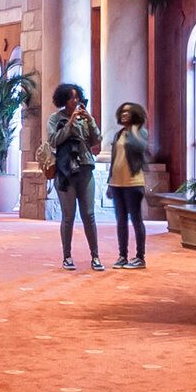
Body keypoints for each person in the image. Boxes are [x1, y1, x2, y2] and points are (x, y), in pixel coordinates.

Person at [46, 82, 103, 271]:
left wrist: (90, 120)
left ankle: (95, 256)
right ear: (63, 99)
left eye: (77, 96)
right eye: (71, 97)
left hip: (85, 167)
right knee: (69, 215)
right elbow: (53, 140)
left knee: (89, 214)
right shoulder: (55, 118)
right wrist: (70, 124)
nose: (75, 100)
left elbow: (96, 140)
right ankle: (67, 256)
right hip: (65, 171)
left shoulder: (84, 118)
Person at [108, 102, 155, 270]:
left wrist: (134, 129)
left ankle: (140, 257)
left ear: (135, 114)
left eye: (128, 112)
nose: (124, 114)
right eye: (122, 111)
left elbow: (141, 147)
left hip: (133, 183)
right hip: (117, 183)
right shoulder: (119, 134)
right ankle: (123, 256)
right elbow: (114, 159)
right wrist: (109, 182)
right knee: (121, 220)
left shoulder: (141, 132)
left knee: (136, 219)